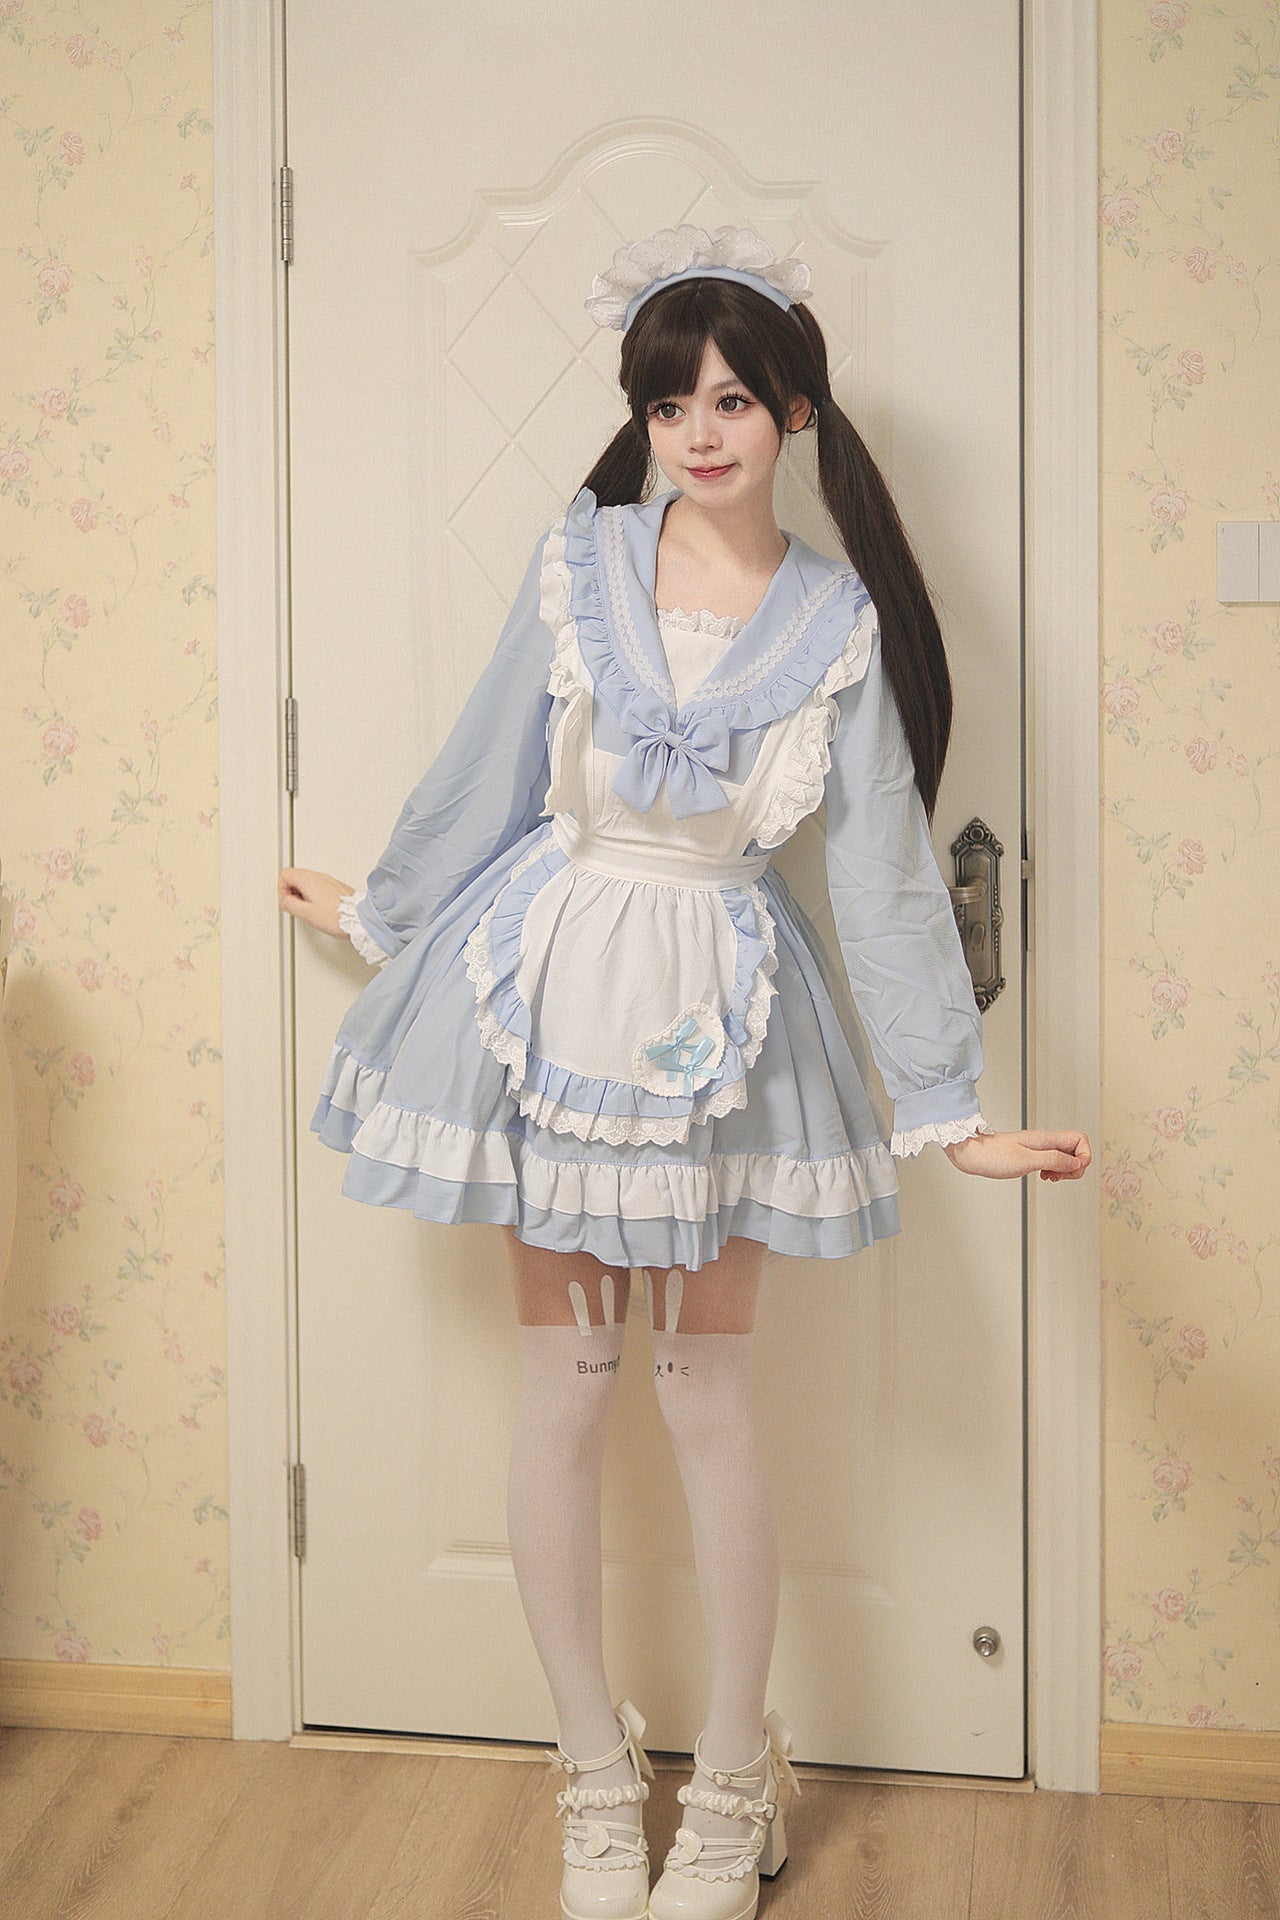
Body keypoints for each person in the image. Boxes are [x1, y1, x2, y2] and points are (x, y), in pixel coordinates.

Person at [280, 224, 1091, 1920]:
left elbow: (880, 869)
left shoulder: (838, 621)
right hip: (547, 993)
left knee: (706, 1403)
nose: (698, 431)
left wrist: (951, 1113)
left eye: (730, 399)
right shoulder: (580, 564)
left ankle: (731, 1785)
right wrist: (387, 908)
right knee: (568, 1389)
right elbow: (493, 758)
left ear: (793, 411)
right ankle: (593, 1774)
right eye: (667, 404)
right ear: (641, 419)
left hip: (723, 1018)